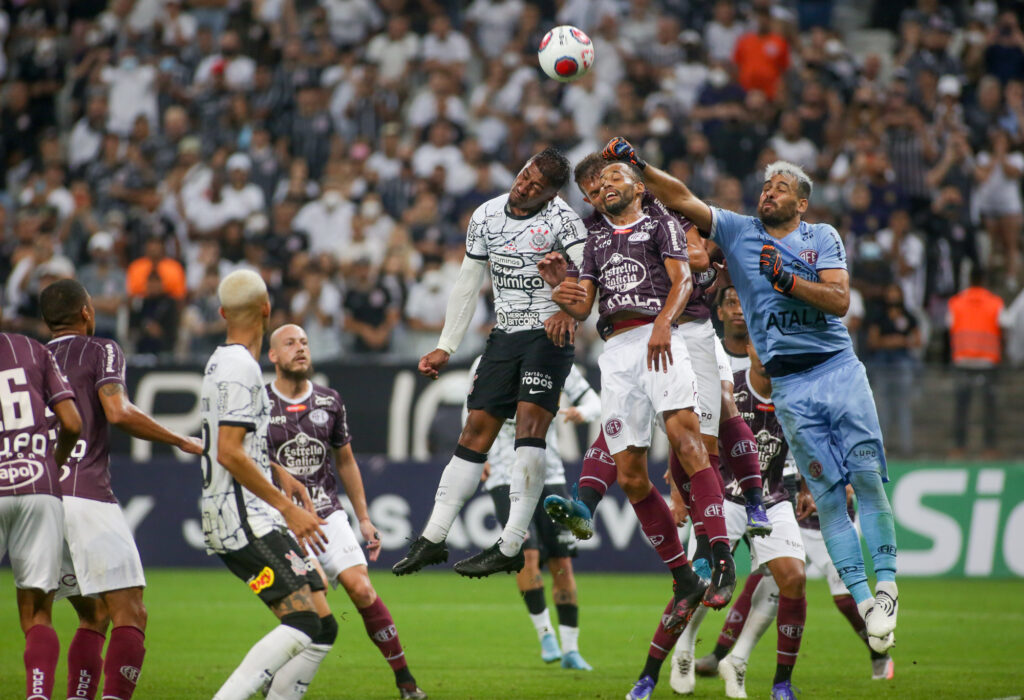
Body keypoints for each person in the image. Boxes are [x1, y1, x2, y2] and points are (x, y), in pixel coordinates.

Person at [605, 137, 899, 683]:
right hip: (788, 392)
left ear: (802, 203)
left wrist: (787, 280)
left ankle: (885, 592)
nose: (769, 193)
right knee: (829, 500)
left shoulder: (821, 238)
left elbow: (839, 301)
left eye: (781, 187)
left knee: (862, 488)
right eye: (765, 186)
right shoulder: (739, 232)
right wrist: (638, 165)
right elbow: (684, 197)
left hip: (836, 368)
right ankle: (862, 606)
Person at [543, 161, 737, 700]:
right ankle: (683, 575)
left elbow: (681, 280)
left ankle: (720, 559)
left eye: (613, 180)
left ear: (634, 185)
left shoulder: (659, 221)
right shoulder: (595, 238)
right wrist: (558, 283)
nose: (605, 187)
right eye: (597, 185)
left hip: (661, 338)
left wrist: (662, 326)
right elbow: (582, 305)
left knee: (688, 442)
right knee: (629, 475)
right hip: (616, 352)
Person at [544, 154, 770, 557]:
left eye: (605, 185)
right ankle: (597, 511)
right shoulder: (595, 230)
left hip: (692, 325)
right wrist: (562, 294)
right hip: (625, 340)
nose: (598, 196)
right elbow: (586, 294)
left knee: (711, 420)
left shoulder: (660, 209)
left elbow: (698, 257)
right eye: (590, 194)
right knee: (620, 435)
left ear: (631, 183)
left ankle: (740, 518)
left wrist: (690, 270)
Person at [392, 148, 587, 578]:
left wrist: (567, 309)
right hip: (504, 335)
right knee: (475, 431)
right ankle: (433, 537)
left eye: (537, 185)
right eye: (524, 175)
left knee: (531, 430)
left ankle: (512, 543)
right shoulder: (485, 215)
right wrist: (446, 344)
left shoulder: (565, 222)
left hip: (547, 335)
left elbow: (592, 274)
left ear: (552, 194)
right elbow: (467, 283)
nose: (524, 185)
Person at [38, 279, 203, 700]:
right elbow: (118, 410)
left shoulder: (28, 360)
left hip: (36, 503)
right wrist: (182, 440)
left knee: (91, 615)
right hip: (86, 494)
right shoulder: (101, 349)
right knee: (130, 610)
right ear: (87, 313)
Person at [265, 323, 427, 699]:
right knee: (309, 609)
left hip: (327, 513)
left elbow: (347, 462)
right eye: (290, 343)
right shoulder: (259, 403)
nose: (300, 349)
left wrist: (365, 519)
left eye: (304, 342)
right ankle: (277, 681)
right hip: (281, 519)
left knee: (362, 589)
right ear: (273, 355)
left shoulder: (329, 400)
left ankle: (405, 680)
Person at [197, 269, 329, 700]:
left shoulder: (221, 361)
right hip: (244, 520)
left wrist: (278, 472)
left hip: (248, 513)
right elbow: (230, 453)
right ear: (266, 311)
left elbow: (237, 444)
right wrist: (288, 508)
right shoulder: (240, 368)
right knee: (304, 624)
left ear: (222, 313)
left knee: (323, 622)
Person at [667, 342, 808, 699]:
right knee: (702, 580)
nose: (770, 354)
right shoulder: (731, 388)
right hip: (723, 494)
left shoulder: (795, 395)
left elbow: (809, 444)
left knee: (792, 579)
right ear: (750, 350)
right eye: (762, 347)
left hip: (771, 497)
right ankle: (683, 650)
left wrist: (806, 487)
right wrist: (679, 490)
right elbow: (690, 436)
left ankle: (739, 660)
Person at [471, 355, 600, 671]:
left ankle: (571, 650)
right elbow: (470, 409)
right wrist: (476, 455)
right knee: (525, 555)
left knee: (562, 563)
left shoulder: (557, 359)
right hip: (505, 472)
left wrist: (580, 412)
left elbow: (595, 402)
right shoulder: (488, 360)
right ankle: (545, 634)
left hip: (549, 471)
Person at [0, 330, 81, 700]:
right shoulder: (30, 348)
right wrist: (53, 462)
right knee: (37, 614)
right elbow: (72, 422)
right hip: (37, 483)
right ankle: (38, 695)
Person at [947, 268, 1009, 458]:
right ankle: (989, 448)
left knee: (961, 408)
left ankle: (959, 448)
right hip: (988, 362)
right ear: (984, 280)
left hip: (962, 360)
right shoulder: (996, 302)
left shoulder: (955, 302)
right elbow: (1004, 328)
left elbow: (949, 327)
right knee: (989, 408)